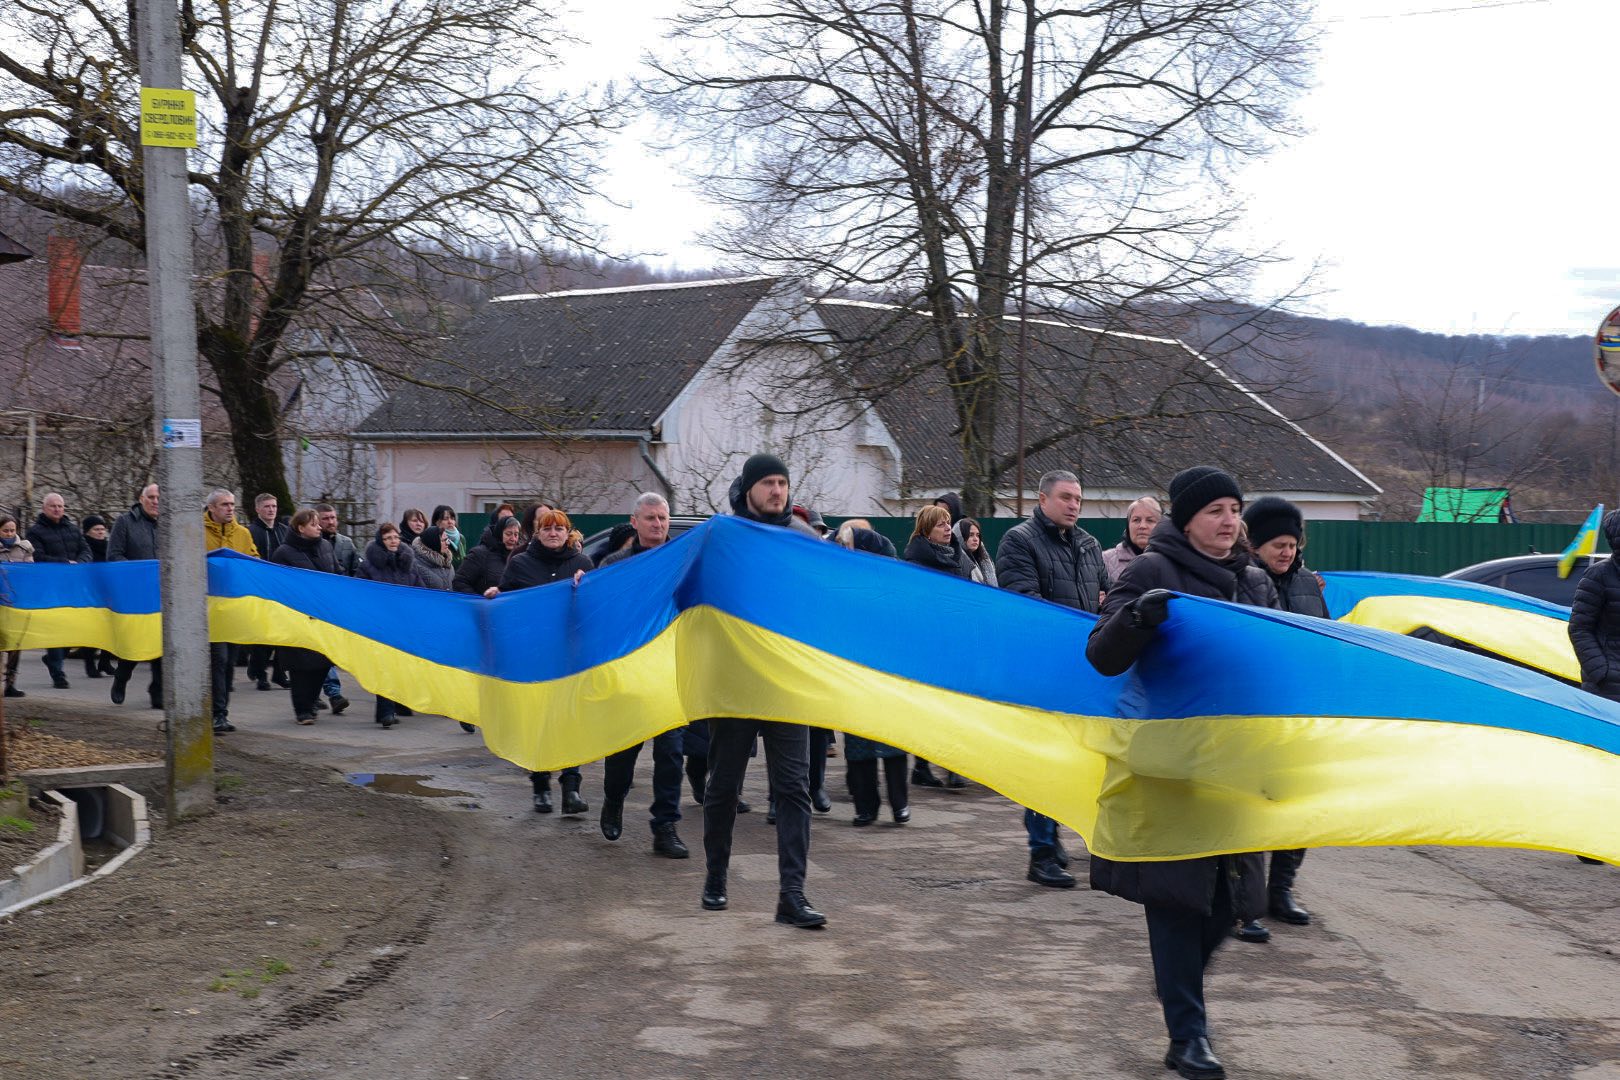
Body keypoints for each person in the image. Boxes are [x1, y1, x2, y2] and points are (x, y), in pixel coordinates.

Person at [1085, 465, 1276, 1080]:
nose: (1229, 521)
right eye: (1216, 510)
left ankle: (1177, 986)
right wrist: (1139, 618)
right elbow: (1102, 657)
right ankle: (1187, 1036)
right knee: (1176, 901)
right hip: (1168, 765)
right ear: (1186, 517)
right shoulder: (1151, 572)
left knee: (1234, 902)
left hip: (1233, 763)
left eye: (1234, 509)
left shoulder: (1253, 581)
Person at [700, 452, 826, 928]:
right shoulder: (721, 537)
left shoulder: (804, 539)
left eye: (783, 483)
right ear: (749, 488)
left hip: (786, 685)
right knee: (724, 787)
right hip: (734, 683)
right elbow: (674, 582)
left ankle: (791, 895)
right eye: (769, 483)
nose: (777, 491)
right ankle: (716, 878)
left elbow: (829, 595)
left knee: (793, 790)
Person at [996, 469, 1111, 888]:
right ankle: (1041, 853)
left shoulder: (1088, 544)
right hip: (1043, 672)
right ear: (1042, 499)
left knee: (1080, 763)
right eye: (1065, 497)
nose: (1074, 505)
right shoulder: (1019, 541)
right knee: (1044, 763)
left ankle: (1061, 841)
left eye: (1078, 498)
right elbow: (1026, 605)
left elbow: (1108, 596)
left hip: (1086, 670)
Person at [1233, 495, 1327, 942]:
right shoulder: (1238, 582)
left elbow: (1329, 639)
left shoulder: (1310, 584)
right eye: (1277, 544)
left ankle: (1281, 891)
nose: (1286, 552)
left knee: (1298, 808)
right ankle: (1244, 904)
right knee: (1248, 813)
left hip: (1301, 715)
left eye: (1292, 544)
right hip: (1251, 716)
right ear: (1255, 545)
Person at [595, 493, 690, 858]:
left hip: (668, 672)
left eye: (663, 518)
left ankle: (665, 826)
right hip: (629, 671)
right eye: (650, 518)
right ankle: (613, 798)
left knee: (671, 753)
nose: (658, 524)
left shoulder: (682, 561)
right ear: (634, 522)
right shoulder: (615, 563)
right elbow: (597, 608)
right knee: (623, 751)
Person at [500, 507, 594, 815]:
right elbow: (505, 602)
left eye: (559, 528)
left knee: (570, 722)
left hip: (570, 655)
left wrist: (588, 588)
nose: (553, 533)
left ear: (568, 533)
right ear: (537, 532)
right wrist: (493, 596)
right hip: (534, 656)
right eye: (547, 528)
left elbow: (596, 608)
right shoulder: (520, 563)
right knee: (539, 721)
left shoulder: (582, 564)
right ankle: (540, 786)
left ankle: (571, 789)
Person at [1567, 508, 1620, 868]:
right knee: (1601, 766)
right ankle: (1591, 840)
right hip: (1606, 687)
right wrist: (1600, 670)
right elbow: (1579, 627)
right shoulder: (1599, 577)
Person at [269, 509, 341, 725]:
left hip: (324, 615)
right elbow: (279, 586)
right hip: (297, 617)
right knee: (300, 665)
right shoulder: (283, 553)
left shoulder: (326, 547)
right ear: (301, 528)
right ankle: (302, 709)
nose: (319, 527)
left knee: (322, 663)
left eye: (319, 524)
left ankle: (311, 703)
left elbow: (337, 573)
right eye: (314, 524)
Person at [355, 522, 428, 729]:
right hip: (380, 624)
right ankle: (386, 711)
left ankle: (392, 707)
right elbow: (360, 593)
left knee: (401, 666)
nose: (393, 541)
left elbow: (419, 590)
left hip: (404, 623)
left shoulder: (408, 563)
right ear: (381, 541)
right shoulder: (369, 565)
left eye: (395, 537)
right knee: (384, 666)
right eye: (388, 538)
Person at [202, 490, 259, 734]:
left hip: (234, 608)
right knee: (218, 660)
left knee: (229, 663)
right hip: (208, 609)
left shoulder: (243, 534)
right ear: (211, 508)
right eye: (224, 505)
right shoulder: (196, 532)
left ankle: (222, 713)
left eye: (232, 504)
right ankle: (214, 713)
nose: (230, 509)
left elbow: (254, 560)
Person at [26, 492, 92, 690]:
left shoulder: (73, 529)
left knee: (75, 629)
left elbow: (85, 550)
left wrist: (79, 564)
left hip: (73, 587)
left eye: (60, 506)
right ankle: (58, 674)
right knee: (55, 631)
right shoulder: (35, 532)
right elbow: (36, 556)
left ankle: (55, 657)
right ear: (44, 508)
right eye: (53, 506)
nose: (57, 509)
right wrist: (64, 564)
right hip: (49, 589)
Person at [108, 483, 163, 709]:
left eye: (159, 497)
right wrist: (138, 572)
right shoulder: (125, 522)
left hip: (163, 594)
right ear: (141, 499)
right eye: (151, 497)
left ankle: (158, 691)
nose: (155, 501)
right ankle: (121, 678)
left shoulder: (169, 524)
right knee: (135, 644)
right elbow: (114, 555)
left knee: (162, 645)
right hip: (136, 593)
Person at [313, 504, 355, 715]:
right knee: (321, 649)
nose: (330, 522)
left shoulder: (346, 544)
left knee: (331, 650)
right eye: (325, 518)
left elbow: (354, 571)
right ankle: (333, 692)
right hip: (316, 605)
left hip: (339, 605)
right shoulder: (312, 545)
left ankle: (316, 693)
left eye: (333, 518)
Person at [245, 493, 290, 691]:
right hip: (260, 589)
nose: (271, 510)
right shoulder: (250, 532)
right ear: (257, 509)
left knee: (283, 632)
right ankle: (260, 671)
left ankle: (279, 673)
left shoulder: (284, 531)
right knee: (263, 634)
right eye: (266, 506)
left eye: (274, 506)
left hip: (282, 589)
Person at [0, 514, 35, 697]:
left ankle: (10, 683)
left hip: (16, 602)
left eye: (12, 530)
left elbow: (30, 572)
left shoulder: (25, 547)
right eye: (5, 530)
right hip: (0, 602)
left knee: (15, 644)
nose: (9, 534)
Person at [80, 514, 117, 678]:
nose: (101, 532)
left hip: (109, 591)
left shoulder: (109, 546)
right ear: (88, 532)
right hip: (90, 593)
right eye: (97, 529)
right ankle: (89, 664)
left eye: (103, 529)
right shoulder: (84, 546)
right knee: (93, 631)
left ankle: (105, 661)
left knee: (110, 629)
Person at [454, 516, 521, 598]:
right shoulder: (479, 554)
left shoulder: (518, 557)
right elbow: (459, 582)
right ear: (499, 533)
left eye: (516, 534)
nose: (513, 539)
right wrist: (480, 601)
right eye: (508, 534)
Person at [1103, 495, 1163, 583]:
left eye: (1150, 520)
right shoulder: (1105, 560)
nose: (1142, 526)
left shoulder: (1171, 561)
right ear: (1128, 525)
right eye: (1136, 520)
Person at [902, 505, 973, 578]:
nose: (948, 528)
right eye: (941, 525)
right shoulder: (916, 563)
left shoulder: (961, 556)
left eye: (948, 523)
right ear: (927, 532)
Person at [411, 524, 456, 591]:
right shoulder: (417, 566)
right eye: (443, 540)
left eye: (447, 539)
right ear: (433, 542)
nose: (447, 543)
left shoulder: (448, 565)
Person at [954, 517, 996, 587]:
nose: (975, 539)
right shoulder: (956, 560)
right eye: (971, 535)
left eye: (977, 535)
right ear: (960, 537)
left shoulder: (985, 559)